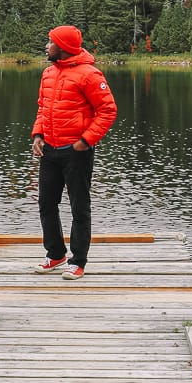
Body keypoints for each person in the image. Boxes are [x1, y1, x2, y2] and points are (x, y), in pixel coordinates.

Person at [30, 25, 117, 280]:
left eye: (50, 42)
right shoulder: (47, 73)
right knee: (46, 203)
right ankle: (55, 254)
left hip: (76, 151)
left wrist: (85, 141)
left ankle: (78, 261)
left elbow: (108, 111)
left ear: (63, 47)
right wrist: (37, 135)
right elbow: (42, 109)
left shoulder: (90, 75)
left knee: (79, 207)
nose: (47, 46)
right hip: (50, 151)